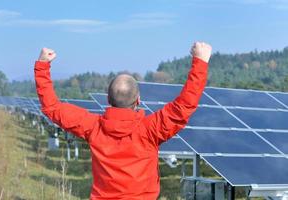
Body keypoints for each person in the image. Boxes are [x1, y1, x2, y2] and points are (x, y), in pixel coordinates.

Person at [34, 42, 212, 200]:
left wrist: (42, 66)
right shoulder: (150, 129)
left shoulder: (92, 127)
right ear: (138, 100)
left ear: (108, 99)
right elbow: (184, 106)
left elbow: (53, 108)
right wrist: (200, 62)